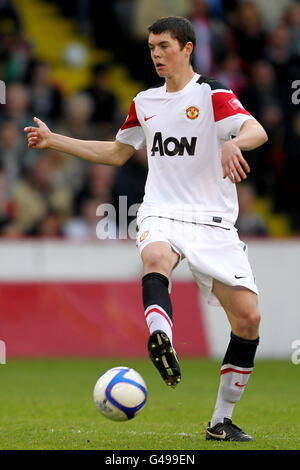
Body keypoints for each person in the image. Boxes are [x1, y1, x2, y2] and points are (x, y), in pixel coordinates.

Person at [24, 16, 268, 442]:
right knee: (155, 257)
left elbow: (257, 130)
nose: (156, 54)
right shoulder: (145, 101)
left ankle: (220, 422)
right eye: (152, 47)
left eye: (165, 46)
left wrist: (234, 142)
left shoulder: (212, 94)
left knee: (248, 319)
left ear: (188, 48)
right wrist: (55, 140)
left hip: (212, 221)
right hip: (161, 210)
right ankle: (161, 337)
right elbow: (118, 152)